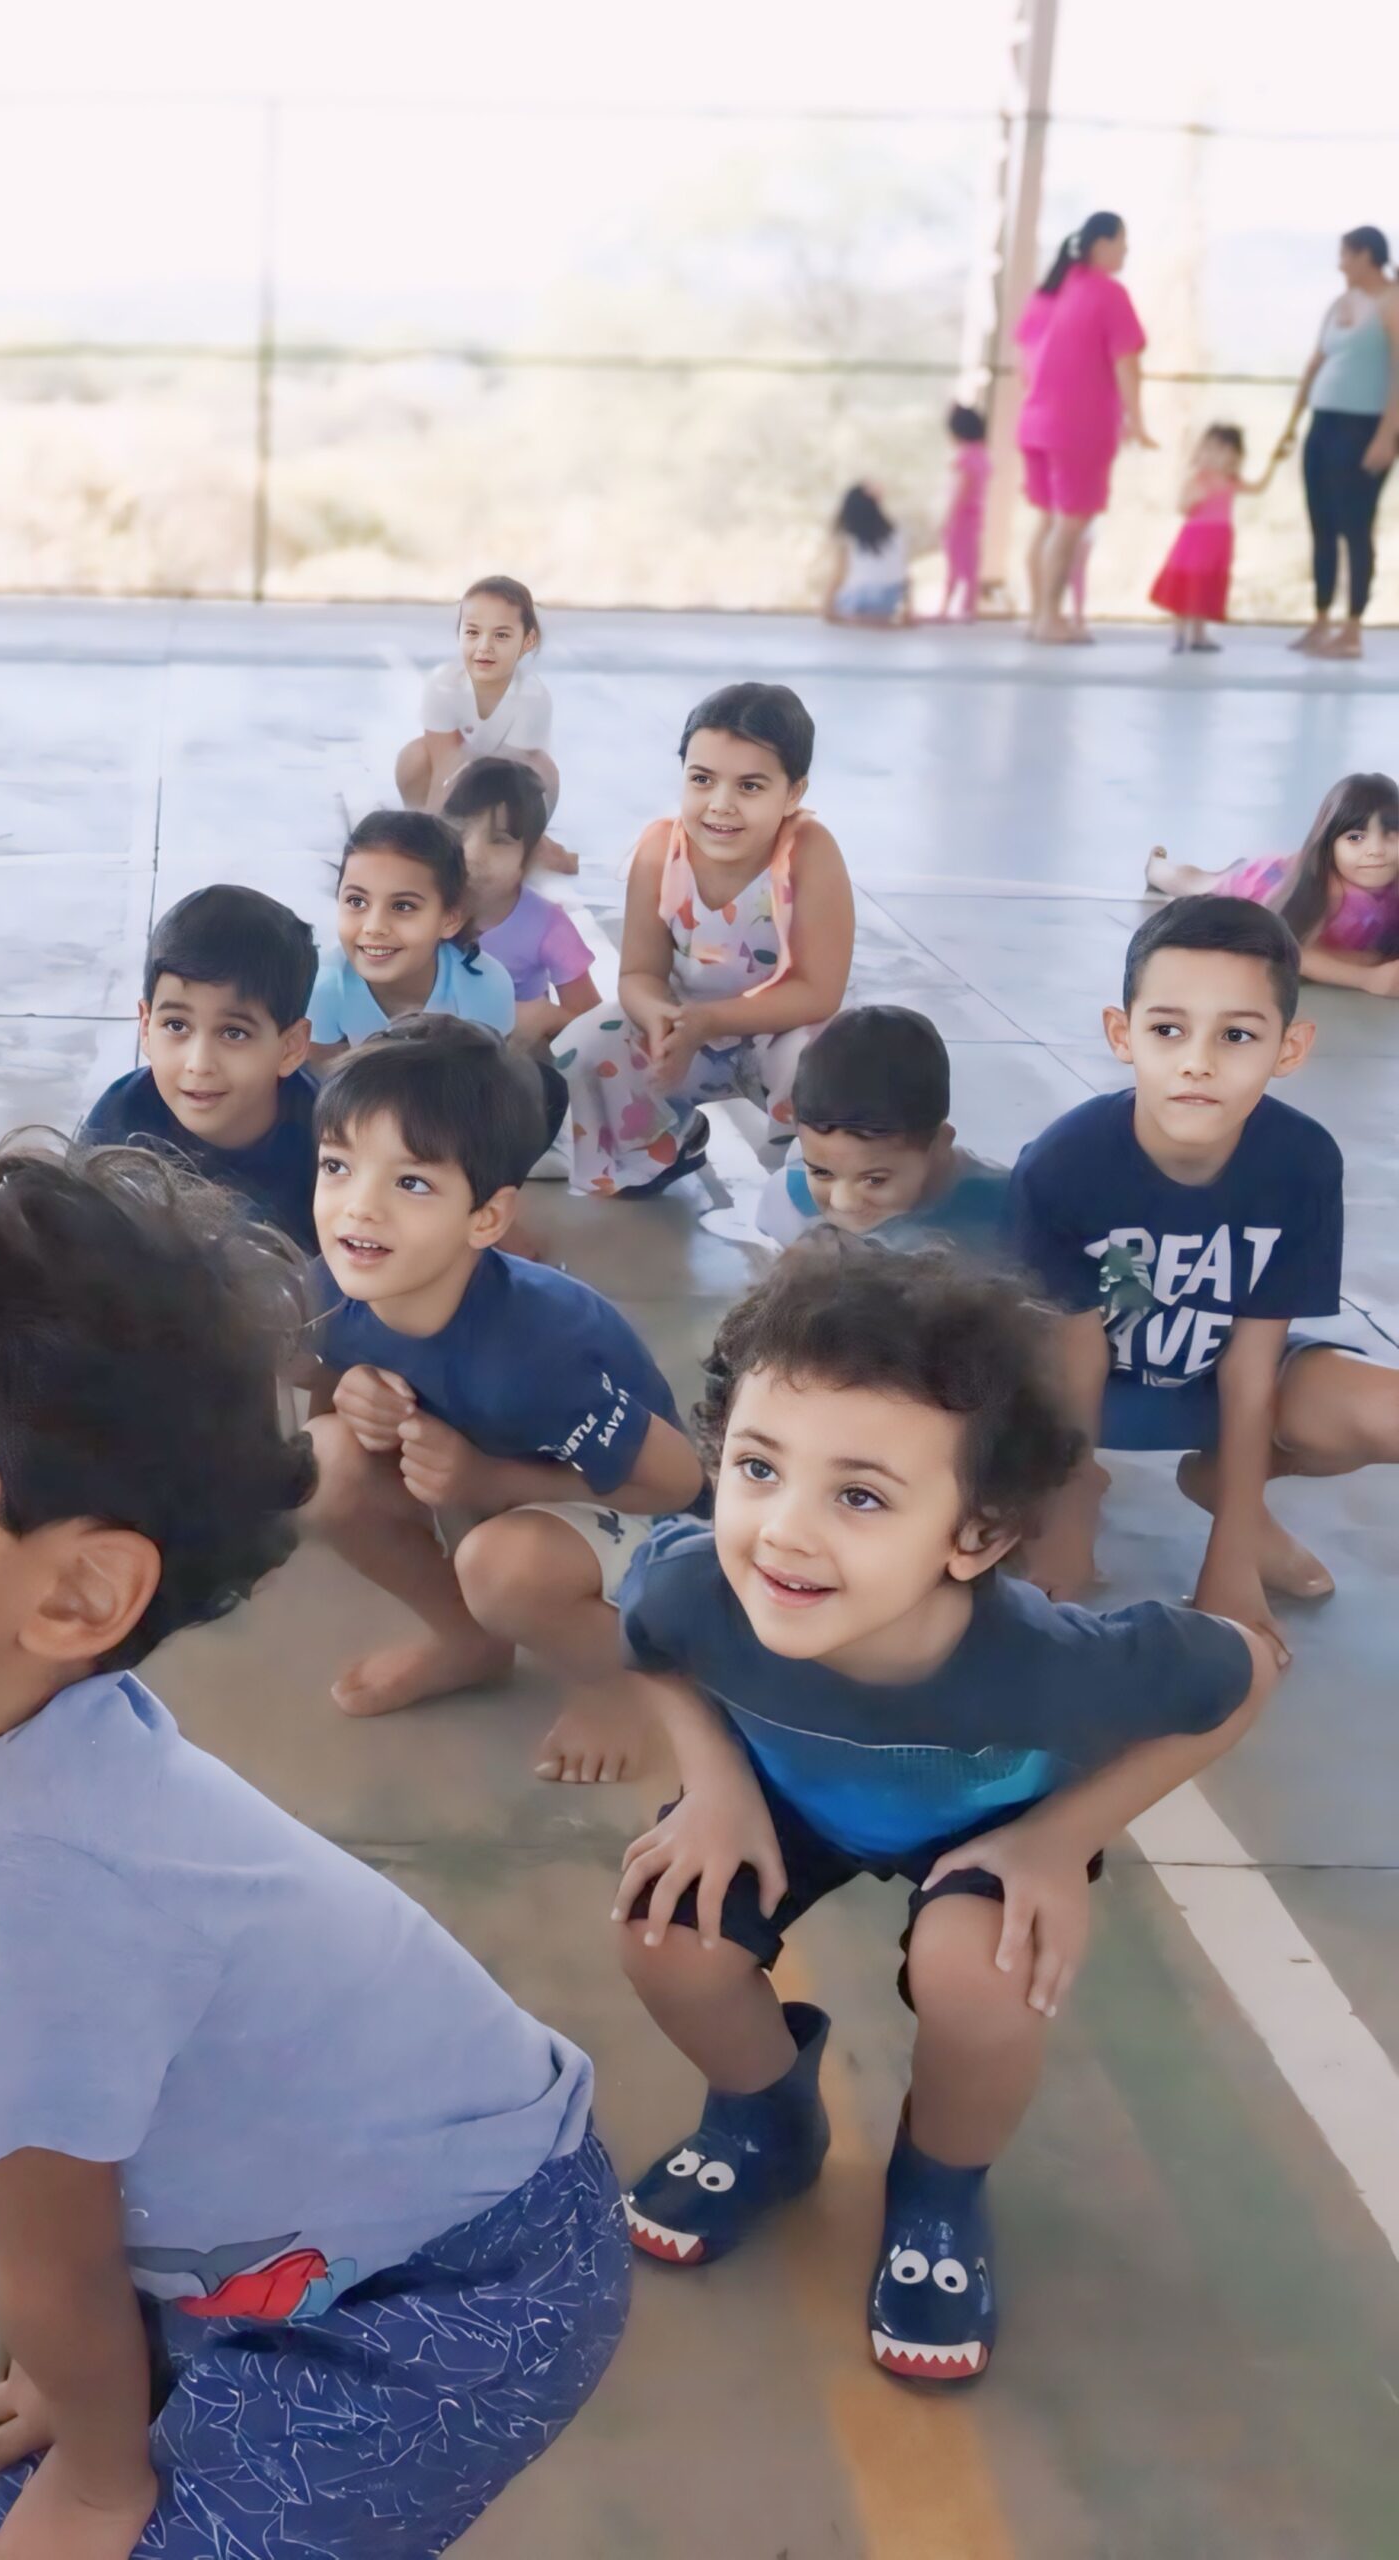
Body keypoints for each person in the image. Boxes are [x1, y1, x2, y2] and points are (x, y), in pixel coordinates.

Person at [0, 1144, 629, 2559]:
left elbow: (55, 2262)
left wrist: (95, 2468)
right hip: (247, 2255)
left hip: (458, 2285)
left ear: (76, 1592)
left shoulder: (37, 1875)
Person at [609, 1243, 1273, 2385]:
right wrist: (714, 1784)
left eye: (859, 1495)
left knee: (989, 1974)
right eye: (758, 1467)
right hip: (788, 1797)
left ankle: (937, 2187)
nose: (783, 1532)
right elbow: (648, 1638)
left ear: (976, 1534)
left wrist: (1057, 1839)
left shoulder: (1055, 1665)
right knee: (665, 1927)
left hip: (984, 1821)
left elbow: (1244, 1672)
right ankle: (765, 2121)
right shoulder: (697, 1586)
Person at [303, 1016, 707, 1783]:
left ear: (487, 1216)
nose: (359, 1208)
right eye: (337, 1166)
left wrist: (483, 1481)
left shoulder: (539, 1348)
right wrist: (352, 1397)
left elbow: (679, 1482)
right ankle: (468, 1640)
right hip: (482, 1480)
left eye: (412, 1181)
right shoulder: (336, 1284)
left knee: (502, 1567)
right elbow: (320, 1394)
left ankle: (622, 1678)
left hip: (634, 1516)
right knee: (322, 1463)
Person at [1010, 896, 1399, 1655]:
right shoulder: (1064, 1164)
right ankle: (1072, 1484)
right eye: (1168, 1029)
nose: (1198, 1060)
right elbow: (1072, 1358)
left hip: (1214, 1392)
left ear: (1289, 1047)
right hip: (1084, 1393)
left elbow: (1254, 1368)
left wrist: (1232, 1553)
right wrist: (1068, 1520)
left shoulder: (1301, 1163)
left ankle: (1229, 1490)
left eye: (1238, 1035)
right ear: (1122, 1035)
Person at [554, 683, 855, 1197]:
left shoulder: (809, 851)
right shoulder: (659, 850)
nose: (721, 805)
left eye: (750, 786)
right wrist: (658, 1016)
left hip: (777, 1032)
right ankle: (657, 1148)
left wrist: (711, 1021)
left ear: (794, 794)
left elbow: (818, 991)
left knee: (830, 1062)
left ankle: (811, 1184)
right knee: (583, 1046)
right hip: (682, 1026)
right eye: (702, 779)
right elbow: (639, 974)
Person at [77, 883, 321, 1250]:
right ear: (146, 1027)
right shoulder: (120, 1117)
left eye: (234, 1033)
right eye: (177, 1026)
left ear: (291, 1047)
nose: (199, 1063)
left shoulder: (328, 1140)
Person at [756, 1006, 1011, 1255]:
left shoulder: (1007, 1210)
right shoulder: (791, 1203)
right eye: (821, 1172)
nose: (842, 1202)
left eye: (874, 1179)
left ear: (939, 1144)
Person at [1015, 214, 1150, 646]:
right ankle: (1050, 620)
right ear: (1102, 244)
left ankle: (1040, 617)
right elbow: (1127, 363)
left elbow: (1024, 361)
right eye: (1122, 242)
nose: (1126, 251)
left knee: (1049, 521)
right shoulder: (1109, 294)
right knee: (1070, 525)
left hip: (1035, 421)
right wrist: (1136, 419)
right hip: (1078, 425)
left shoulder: (1051, 291)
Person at [1145, 771, 1399, 997]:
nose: (1376, 850)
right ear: (1328, 844)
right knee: (1199, 884)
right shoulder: (1327, 894)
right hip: (1264, 884)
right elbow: (1287, 947)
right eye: (1355, 837)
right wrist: (1367, 978)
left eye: (1390, 834)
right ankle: (1157, 868)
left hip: (1293, 873)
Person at [307, 810, 518, 1066]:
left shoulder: (485, 988)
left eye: (403, 906)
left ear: (450, 918)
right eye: (357, 901)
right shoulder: (326, 984)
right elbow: (324, 1086)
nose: (374, 927)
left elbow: (490, 1085)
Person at [1275, 227, 1399, 661]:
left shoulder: (1392, 302)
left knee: (1355, 525)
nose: (1339, 263)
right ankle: (1321, 619)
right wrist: (1292, 423)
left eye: (1344, 255)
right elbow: (1315, 364)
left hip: (1365, 429)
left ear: (1366, 256)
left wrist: (1387, 436)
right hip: (1324, 425)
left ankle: (1352, 629)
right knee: (1322, 522)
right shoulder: (1338, 304)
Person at [444, 755, 598, 1066]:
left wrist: (544, 1017)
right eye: (460, 832)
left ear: (530, 855)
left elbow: (596, 1023)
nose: (473, 854)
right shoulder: (426, 901)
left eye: (499, 841)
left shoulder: (546, 926)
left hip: (512, 1066)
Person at [396, 575, 560, 819]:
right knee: (415, 755)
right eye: (473, 632)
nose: (484, 646)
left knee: (543, 769)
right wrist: (433, 833)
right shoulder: (443, 685)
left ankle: (516, 843)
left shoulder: (532, 697)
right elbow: (445, 768)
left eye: (501, 635)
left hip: (511, 784)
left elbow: (506, 780)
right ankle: (420, 822)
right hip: (458, 775)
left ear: (528, 640)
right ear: (459, 634)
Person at [1149, 425, 1270, 652]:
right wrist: (1194, 499)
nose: (1214, 455)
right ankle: (1179, 634)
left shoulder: (1230, 480)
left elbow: (1257, 487)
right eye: (1210, 449)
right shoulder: (1197, 479)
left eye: (1223, 450)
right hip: (1195, 540)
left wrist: (1274, 463)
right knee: (1187, 586)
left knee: (1205, 588)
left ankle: (1198, 635)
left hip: (1219, 540)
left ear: (1235, 456)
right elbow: (1181, 507)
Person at [822, 485, 912, 626]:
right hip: (888, 600)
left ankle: (853, 616)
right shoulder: (896, 533)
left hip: (856, 599)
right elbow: (904, 574)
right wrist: (909, 607)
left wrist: (827, 607)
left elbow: (837, 575)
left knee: (848, 594)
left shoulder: (848, 537)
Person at [939, 404, 991, 621]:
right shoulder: (982, 455)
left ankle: (947, 608)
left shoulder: (965, 458)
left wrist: (947, 519)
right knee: (970, 563)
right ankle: (968, 607)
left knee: (956, 563)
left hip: (962, 518)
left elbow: (961, 491)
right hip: (975, 516)